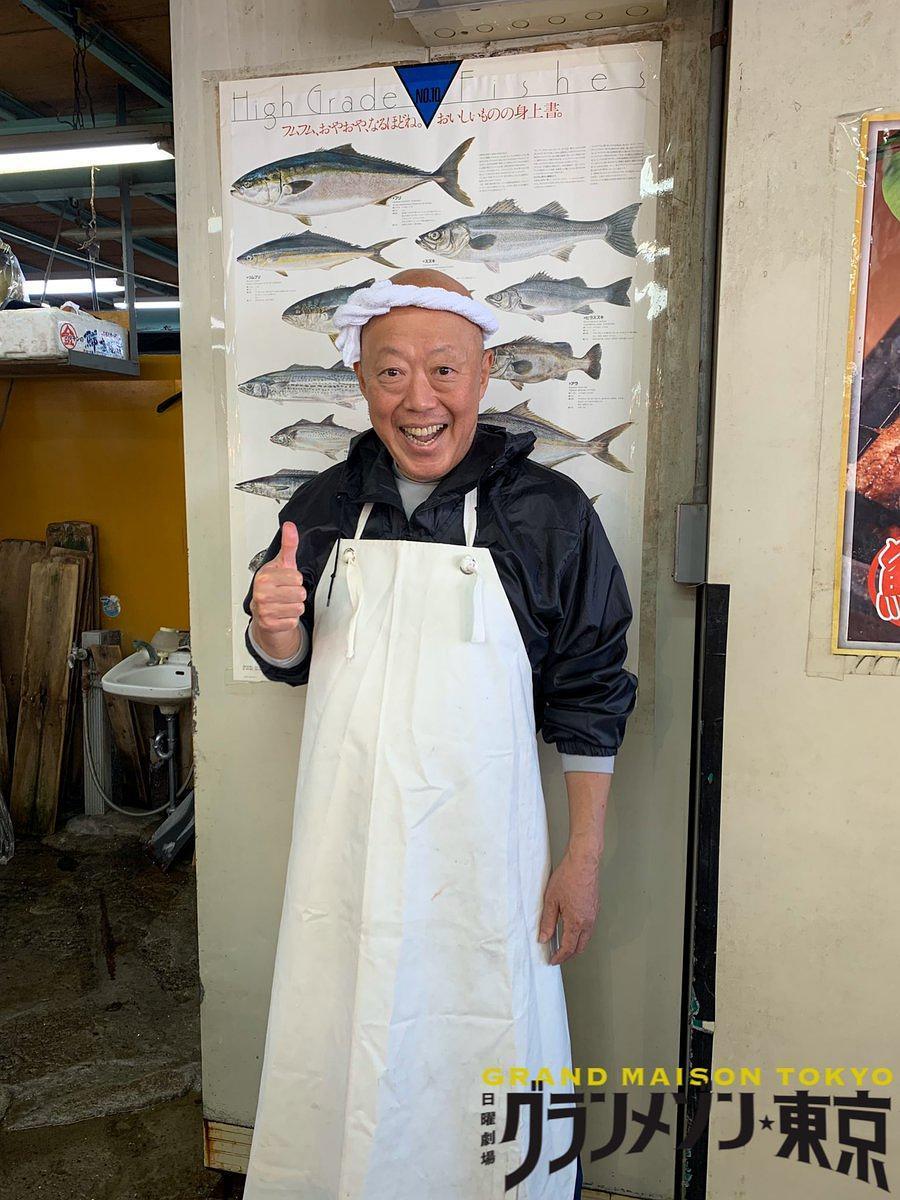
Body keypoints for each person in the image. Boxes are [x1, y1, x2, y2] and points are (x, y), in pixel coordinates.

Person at [241, 269, 637, 1199]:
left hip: (484, 859)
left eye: (444, 370)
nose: (419, 399)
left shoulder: (549, 514)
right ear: (361, 383)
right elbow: (287, 657)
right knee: (343, 1031)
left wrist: (583, 857)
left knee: (484, 1036)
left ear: (486, 374)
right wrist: (273, 629)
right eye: (391, 374)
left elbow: (590, 687)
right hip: (349, 858)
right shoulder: (321, 508)